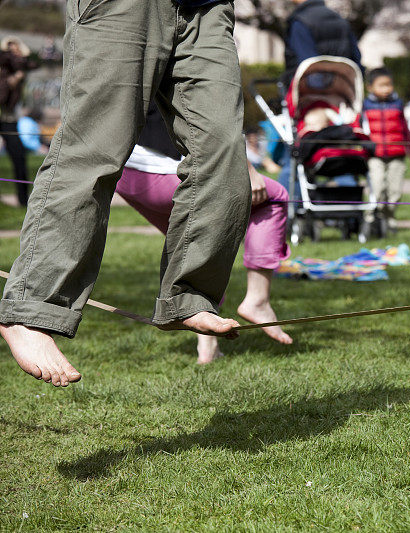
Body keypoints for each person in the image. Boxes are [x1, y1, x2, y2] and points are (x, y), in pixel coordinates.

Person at [0, 0, 253, 387]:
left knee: (224, 155)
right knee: (94, 151)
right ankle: (30, 311)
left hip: (208, 6)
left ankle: (189, 295)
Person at [117, 105, 293, 364]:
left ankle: (207, 349)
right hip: (165, 171)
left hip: (127, 174)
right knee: (274, 197)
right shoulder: (186, 62)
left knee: (200, 243)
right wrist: (248, 170)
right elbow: (213, 115)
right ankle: (258, 300)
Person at [278, 0, 363, 197]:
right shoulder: (340, 20)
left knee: (292, 158)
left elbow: (306, 63)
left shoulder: (300, 22)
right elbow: (356, 59)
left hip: (309, 101)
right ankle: (350, 208)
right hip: (340, 103)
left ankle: (287, 208)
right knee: (342, 155)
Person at [362, 68, 410, 236]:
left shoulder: (397, 104)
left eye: (389, 85)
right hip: (375, 155)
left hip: (397, 154)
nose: (386, 89)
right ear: (370, 87)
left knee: (395, 192)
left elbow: (405, 129)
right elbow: (360, 132)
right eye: (381, 85)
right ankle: (371, 218)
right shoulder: (364, 106)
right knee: (377, 188)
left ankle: (390, 218)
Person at [0, 36, 38, 206]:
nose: (14, 53)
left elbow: (34, 63)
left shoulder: (20, 69)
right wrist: (12, 80)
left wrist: (25, 54)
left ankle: (23, 201)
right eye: (10, 50)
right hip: (4, 117)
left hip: (10, 120)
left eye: (16, 49)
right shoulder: (4, 65)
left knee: (19, 158)